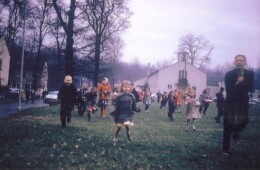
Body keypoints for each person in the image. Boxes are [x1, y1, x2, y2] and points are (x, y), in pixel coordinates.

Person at [222, 55, 254, 155]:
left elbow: (251, 88)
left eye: (241, 60)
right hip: (231, 102)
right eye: (237, 60)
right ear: (235, 62)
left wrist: (243, 82)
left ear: (245, 62)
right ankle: (225, 149)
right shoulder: (229, 74)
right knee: (227, 125)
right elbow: (229, 89)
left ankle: (236, 131)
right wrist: (237, 82)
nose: (239, 62)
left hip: (242, 103)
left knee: (244, 121)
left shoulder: (250, 74)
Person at [112, 80, 141, 145]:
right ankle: (115, 139)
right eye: (125, 86)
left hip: (128, 113)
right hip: (120, 113)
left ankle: (128, 133)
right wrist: (113, 111)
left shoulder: (132, 96)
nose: (126, 88)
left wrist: (137, 109)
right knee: (118, 127)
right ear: (122, 87)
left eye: (128, 87)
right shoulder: (119, 95)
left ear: (130, 88)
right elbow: (114, 104)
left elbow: (134, 105)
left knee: (127, 124)